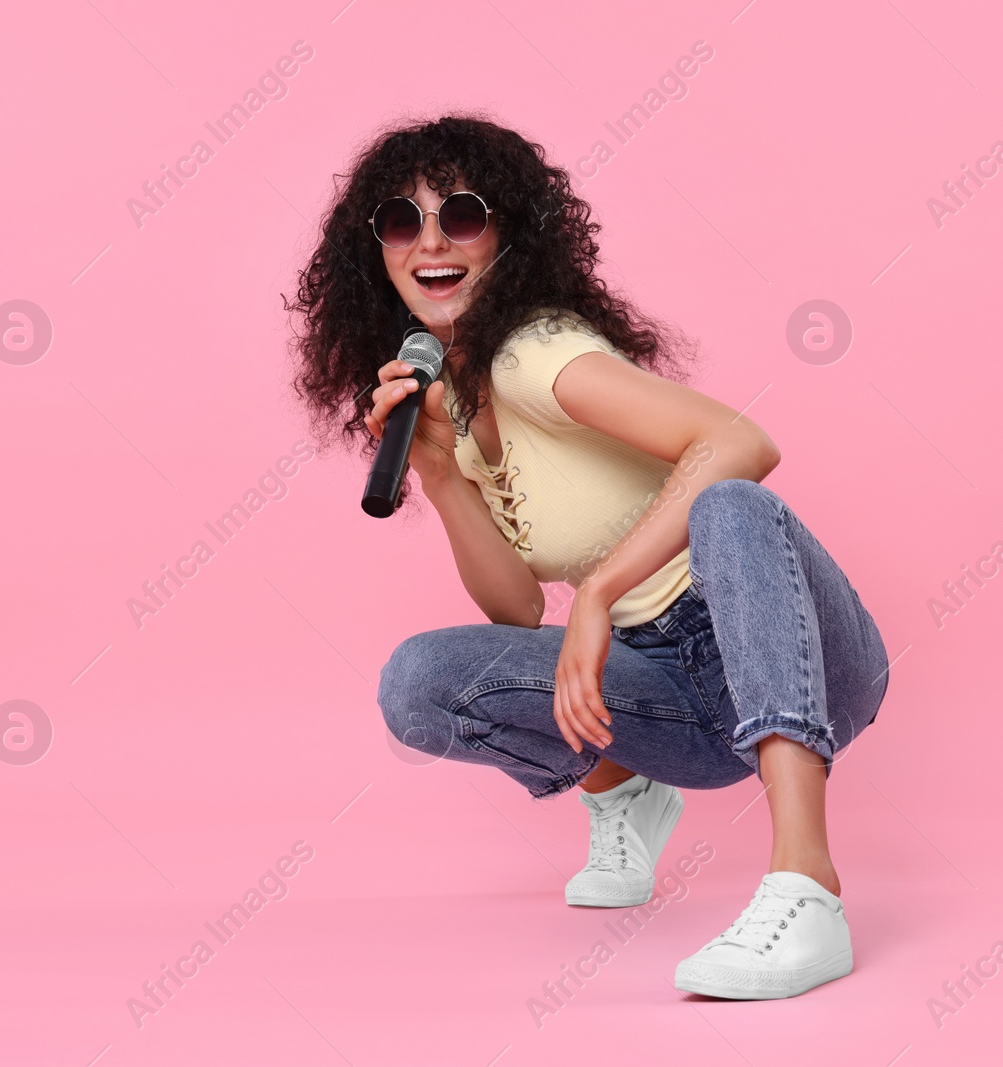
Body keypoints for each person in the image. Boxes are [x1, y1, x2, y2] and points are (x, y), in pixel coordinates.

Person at [289, 115, 890, 1000]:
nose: (430, 243)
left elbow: (740, 440)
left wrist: (603, 589)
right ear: (370, 250)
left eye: (460, 215)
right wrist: (439, 475)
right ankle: (628, 794)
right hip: (679, 700)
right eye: (400, 221)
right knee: (417, 681)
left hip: (804, 658)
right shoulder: (452, 400)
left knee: (729, 503)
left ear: (509, 234)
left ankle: (808, 890)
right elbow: (519, 614)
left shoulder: (537, 353)